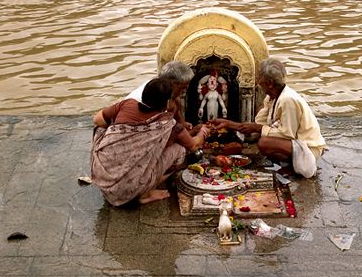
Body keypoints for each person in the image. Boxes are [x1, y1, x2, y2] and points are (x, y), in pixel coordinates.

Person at [91, 77, 210, 206]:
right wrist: (203, 131)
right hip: (130, 189)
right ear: (167, 102)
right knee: (180, 150)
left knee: (101, 129)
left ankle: (131, 180)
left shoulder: (127, 104)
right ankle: (145, 192)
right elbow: (193, 146)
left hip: (103, 179)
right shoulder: (168, 124)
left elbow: (98, 120)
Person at [213, 58, 326, 178]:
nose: (258, 82)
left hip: (309, 148)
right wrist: (229, 124)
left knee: (264, 143)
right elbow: (257, 124)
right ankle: (289, 164)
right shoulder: (272, 97)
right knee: (260, 119)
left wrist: (258, 128)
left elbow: (287, 134)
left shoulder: (288, 100)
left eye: (259, 78)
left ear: (270, 83)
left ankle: (294, 168)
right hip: (293, 142)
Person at [126, 60, 194, 129]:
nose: (184, 92)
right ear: (173, 83)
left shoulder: (159, 85)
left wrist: (183, 124)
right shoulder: (155, 96)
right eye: (182, 88)